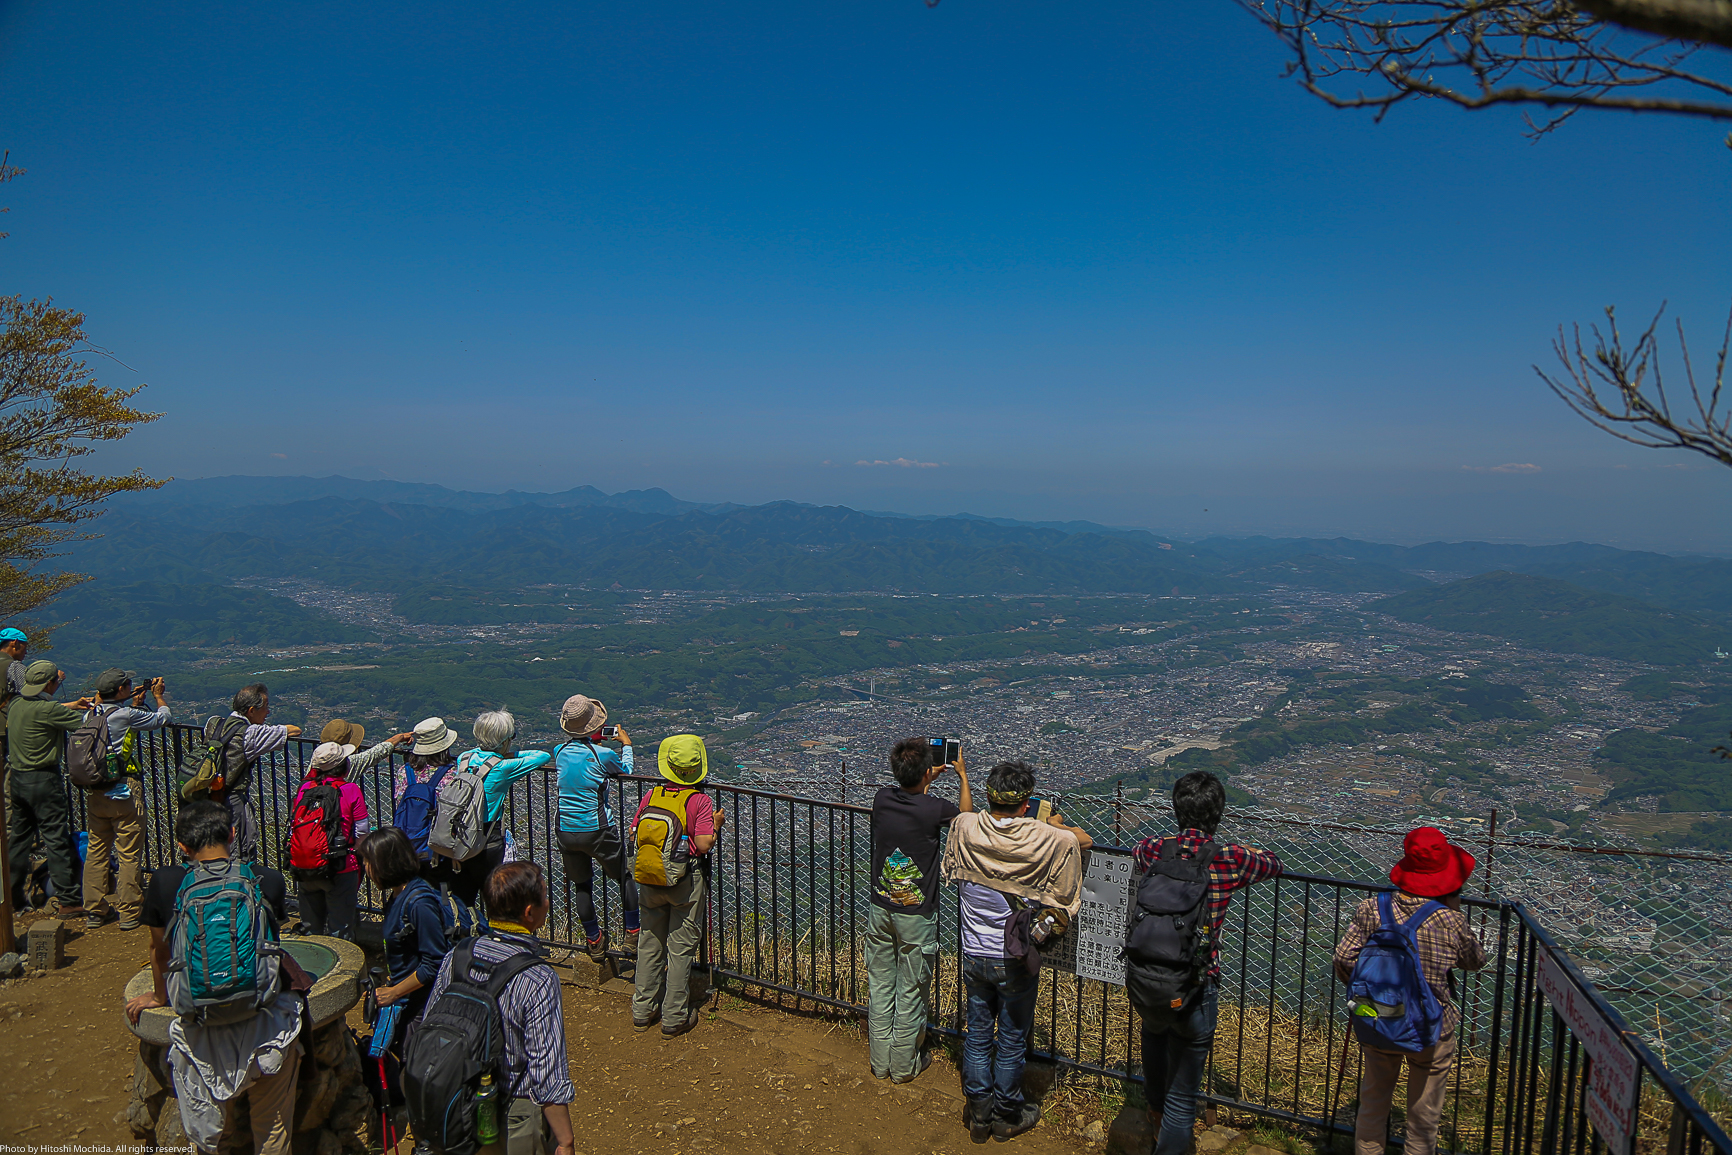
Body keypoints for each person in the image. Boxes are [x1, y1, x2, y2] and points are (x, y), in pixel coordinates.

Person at [125, 799, 302, 1155]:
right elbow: (269, 946)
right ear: (233, 834)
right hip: (263, 1026)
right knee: (272, 1129)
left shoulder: (165, 883)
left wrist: (159, 997)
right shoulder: (266, 880)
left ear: (182, 846)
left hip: (200, 1031)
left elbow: (160, 950)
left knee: (209, 1139)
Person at [1128, 770, 1283, 1155]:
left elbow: (1136, 851)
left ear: (1176, 809)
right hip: (1196, 984)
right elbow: (1273, 863)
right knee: (1183, 1098)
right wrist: (1242, 847)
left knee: (1154, 1035)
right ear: (1219, 813)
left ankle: (1154, 1114)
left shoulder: (1154, 850)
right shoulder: (1229, 859)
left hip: (1150, 979)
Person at [941, 759, 1090, 1141]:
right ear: (1025, 803)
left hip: (973, 951)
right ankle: (1006, 1113)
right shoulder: (1046, 840)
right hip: (1014, 955)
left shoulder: (965, 828)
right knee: (1010, 1039)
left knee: (978, 1033)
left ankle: (979, 1113)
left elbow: (965, 820)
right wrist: (1053, 824)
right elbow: (1082, 841)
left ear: (989, 796)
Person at [1334, 827, 1488, 1155]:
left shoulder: (1372, 908)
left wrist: (1363, 992)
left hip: (1377, 1015)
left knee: (1373, 1102)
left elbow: (1344, 958)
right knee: (1423, 1116)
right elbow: (1475, 961)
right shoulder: (1449, 920)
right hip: (1431, 1025)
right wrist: (1455, 913)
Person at [419, 861, 575, 1155]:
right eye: (544, 895)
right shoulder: (538, 978)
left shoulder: (457, 956)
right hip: (513, 1112)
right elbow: (546, 1072)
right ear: (529, 913)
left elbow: (430, 1021)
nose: (548, 901)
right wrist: (565, 1140)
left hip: (459, 1102)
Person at [865, 737, 974, 1083]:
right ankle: (903, 1066)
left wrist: (925, 778)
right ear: (927, 773)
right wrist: (962, 776)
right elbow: (966, 821)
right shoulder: (934, 810)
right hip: (915, 915)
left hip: (880, 909)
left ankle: (880, 1062)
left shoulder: (882, 799)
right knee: (911, 991)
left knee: (881, 985)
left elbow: (910, 796)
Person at [630, 734, 723, 1038]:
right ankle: (674, 1016)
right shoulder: (699, 800)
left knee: (649, 942)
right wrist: (716, 826)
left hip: (650, 877)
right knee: (680, 948)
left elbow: (634, 830)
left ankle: (643, 1010)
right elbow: (704, 844)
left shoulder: (652, 795)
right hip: (685, 879)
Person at [552, 694, 641, 961]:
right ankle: (632, 933)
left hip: (565, 828)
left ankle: (594, 940)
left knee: (582, 885)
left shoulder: (559, 752)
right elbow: (625, 769)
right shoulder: (603, 754)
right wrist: (626, 744)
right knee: (624, 876)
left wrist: (591, 740)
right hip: (597, 828)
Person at [82, 669, 172, 930]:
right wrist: (159, 696)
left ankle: (95, 910)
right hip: (123, 791)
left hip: (96, 790)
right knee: (129, 852)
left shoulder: (89, 715)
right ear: (121, 690)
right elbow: (163, 719)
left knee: (97, 850)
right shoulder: (125, 715)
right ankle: (129, 912)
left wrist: (132, 703)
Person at [5, 660, 95, 916]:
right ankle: (68, 900)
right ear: (48, 684)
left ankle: (12, 896)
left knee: (19, 840)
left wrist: (70, 703)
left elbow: (47, 710)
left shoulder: (16, 704)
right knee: (55, 837)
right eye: (56, 681)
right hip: (43, 780)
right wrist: (101, 704)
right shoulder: (47, 709)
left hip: (17, 779)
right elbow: (87, 725)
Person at [447, 709, 551, 913]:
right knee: (496, 901)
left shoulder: (464, 759)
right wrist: (507, 754)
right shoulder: (503, 767)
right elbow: (542, 756)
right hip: (488, 838)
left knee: (462, 900)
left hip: (460, 835)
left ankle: (463, 931)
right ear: (505, 740)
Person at [360, 827, 450, 1023]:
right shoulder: (397, 895)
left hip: (420, 1008)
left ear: (385, 863)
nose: (365, 867)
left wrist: (394, 992)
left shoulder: (420, 904)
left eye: (368, 861)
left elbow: (434, 963)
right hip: (406, 999)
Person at [291, 741, 372, 939]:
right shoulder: (350, 789)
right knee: (341, 929)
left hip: (306, 865)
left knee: (311, 928)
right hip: (341, 865)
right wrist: (357, 853)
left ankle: (314, 956)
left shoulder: (304, 788)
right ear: (343, 765)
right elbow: (362, 830)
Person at [217, 683, 302, 863]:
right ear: (251, 711)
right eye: (265, 707)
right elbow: (294, 730)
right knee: (239, 850)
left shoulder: (214, 723)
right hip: (233, 799)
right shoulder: (250, 734)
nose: (268, 712)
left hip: (211, 795)